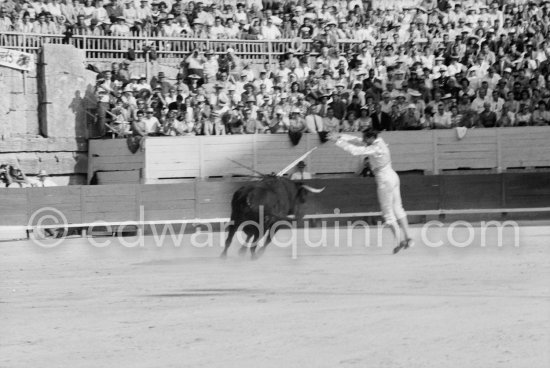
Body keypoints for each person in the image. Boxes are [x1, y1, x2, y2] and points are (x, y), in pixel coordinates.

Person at [328, 129, 413, 253]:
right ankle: (408, 237)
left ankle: (400, 241)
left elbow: (355, 150)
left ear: (371, 138)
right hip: (393, 175)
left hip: (384, 179)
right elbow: (357, 140)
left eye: (365, 138)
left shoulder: (375, 148)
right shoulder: (379, 141)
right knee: (398, 208)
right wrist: (340, 136)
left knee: (388, 214)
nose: (363, 140)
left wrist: (338, 141)